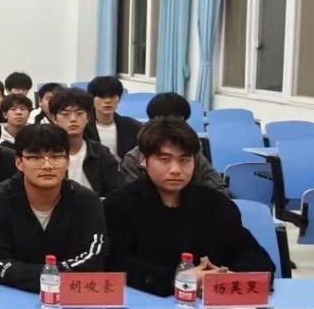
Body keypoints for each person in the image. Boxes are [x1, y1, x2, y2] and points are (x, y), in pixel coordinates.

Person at [104, 118, 275, 295]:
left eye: (184, 160)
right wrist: (179, 279)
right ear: (144, 160)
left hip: (210, 304)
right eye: (164, 159)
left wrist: (231, 276)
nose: (175, 170)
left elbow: (256, 258)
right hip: (147, 304)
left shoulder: (216, 204)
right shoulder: (119, 205)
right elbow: (115, 263)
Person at [0, 124, 107, 292]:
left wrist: (36, 275)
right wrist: (51, 276)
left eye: (56, 157)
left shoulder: (87, 201)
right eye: (36, 158)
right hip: (8, 294)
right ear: (19, 163)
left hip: (70, 297)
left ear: (68, 162)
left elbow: (94, 258)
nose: (47, 166)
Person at [120, 92, 229, 196]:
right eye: (164, 159)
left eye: (178, 123)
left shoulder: (193, 155)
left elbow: (219, 191)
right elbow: (133, 198)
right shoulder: (133, 159)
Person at [49, 88, 124, 196]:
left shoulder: (101, 154)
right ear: (54, 118)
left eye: (79, 113)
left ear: (88, 117)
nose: (73, 119)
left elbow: (115, 192)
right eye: (65, 114)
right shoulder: (43, 154)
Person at [86, 75, 141, 160]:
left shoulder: (133, 127)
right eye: (101, 96)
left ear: (119, 99)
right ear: (91, 99)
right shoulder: (83, 127)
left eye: (112, 96)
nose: (107, 101)